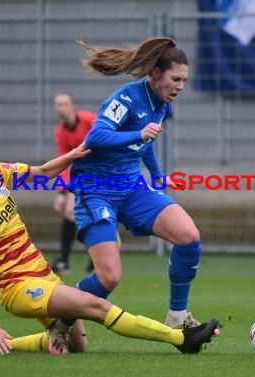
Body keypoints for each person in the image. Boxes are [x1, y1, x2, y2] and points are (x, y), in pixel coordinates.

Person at [0, 125, 220, 356]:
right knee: (97, 307)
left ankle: (10, 345)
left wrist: (73, 154)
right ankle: (180, 338)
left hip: (43, 275)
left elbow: (41, 172)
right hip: (17, 288)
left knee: (78, 345)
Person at [71, 37, 204, 329]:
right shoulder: (126, 98)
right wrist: (139, 134)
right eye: (176, 79)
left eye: (185, 80)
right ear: (155, 73)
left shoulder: (163, 105)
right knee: (109, 278)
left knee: (189, 237)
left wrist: (156, 175)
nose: (181, 86)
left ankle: (177, 318)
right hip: (96, 192)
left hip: (132, 188)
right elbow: (95, 138)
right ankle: (63, 308)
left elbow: (146, 142)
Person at [51, 92, 96, 274]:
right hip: (79, 177)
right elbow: (63, 162)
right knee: (69, 213)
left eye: (65, 104)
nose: (62, 108)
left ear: (72, 105)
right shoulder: (60, 133)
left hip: (98, 173)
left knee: (95, 214)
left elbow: (104, 139)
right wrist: (62, 193)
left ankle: (96, 260)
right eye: (59, 105)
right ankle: (63, 261)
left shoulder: (89, 120)